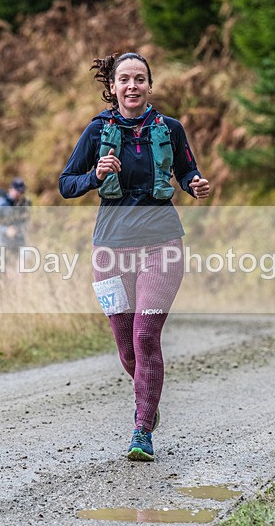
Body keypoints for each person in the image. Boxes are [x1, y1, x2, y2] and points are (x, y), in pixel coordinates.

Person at [59, 52, 210, 461]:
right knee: (127, 349)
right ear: (112, 87)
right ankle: (150, 399)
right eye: (124, 79)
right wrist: (96, 176)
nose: (132, 86)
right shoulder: (97, 130)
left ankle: (142, 429)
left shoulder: (171, 129)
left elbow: (186, 170)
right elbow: (66, 184)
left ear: (149, 85)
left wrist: (194, 184)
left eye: (139, 79)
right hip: (109, 249)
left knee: (146, 337)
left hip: (162, 243)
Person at [0, 179, 31, 256]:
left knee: (27, 257)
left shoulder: (22, 204)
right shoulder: (2, 203)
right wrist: (6, 230)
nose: (20, 194)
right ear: (11, 189)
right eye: (18, 191)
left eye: (22, 192)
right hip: (4, 243)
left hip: (18, 241)